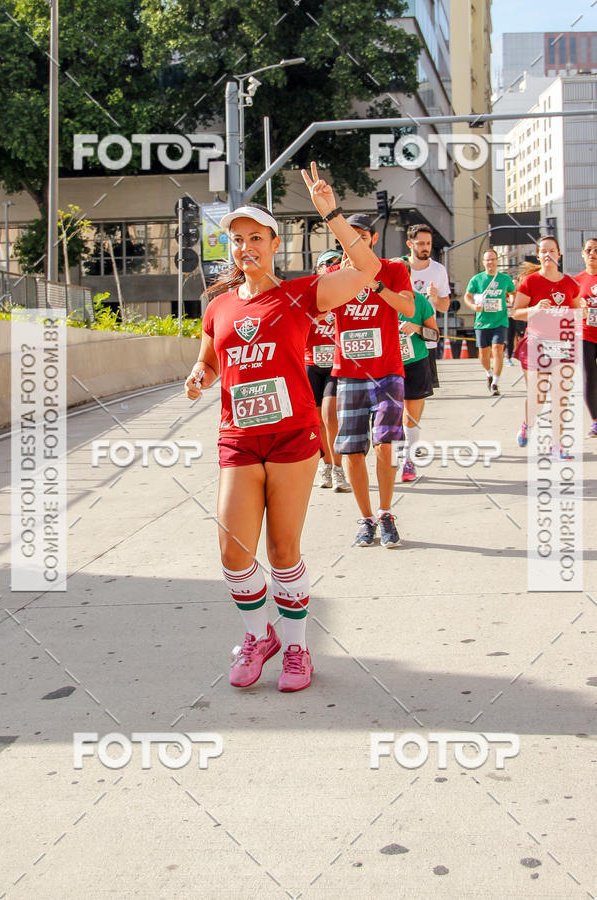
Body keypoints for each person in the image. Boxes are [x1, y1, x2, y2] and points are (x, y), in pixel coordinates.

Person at [184, 163, 381, 693]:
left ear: (274, 244)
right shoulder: (218, 305)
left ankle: (297, 650)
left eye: (256, 238)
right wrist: (200, 375)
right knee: (232, 551)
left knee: (282, 551)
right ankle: (260, 634)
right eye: (238, 239)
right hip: (239, 438)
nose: (246, 246)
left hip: (294, 437)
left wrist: (332, 214)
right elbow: (211, 358)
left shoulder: (301, 294)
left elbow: (367, 270)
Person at [331, 213, 415, 547]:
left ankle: (385, 513)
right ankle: (365, 519)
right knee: (352, 451)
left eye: (361, 236)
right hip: (348, 373)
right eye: (349, 236)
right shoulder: (333, 274)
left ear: (373, 239)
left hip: (387, 372)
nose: (355, 242)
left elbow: (408, 308)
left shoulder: (394, 269)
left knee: (385, 445)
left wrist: (376, 286)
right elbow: (316, 311)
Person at [511, 235, 581, 456]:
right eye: (543, 251)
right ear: (538, 255)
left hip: (563, 344)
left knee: (560, 396)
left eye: (551, 250)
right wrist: (535, 309)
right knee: (538, 396)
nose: (547, 254)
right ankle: (527, 424)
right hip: (538, 343)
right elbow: (516, 313)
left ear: (559, 254)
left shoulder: (570, 283)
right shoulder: (531, 282)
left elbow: (578, 314)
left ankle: (557, 445)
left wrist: (582, 313)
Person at [305, 249, 351, 491]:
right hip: (312, 364)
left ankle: (339, 468)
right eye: (327, 264)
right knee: (317, 421)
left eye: (336, 263)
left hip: (336, 365)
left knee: (331, 416)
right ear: (319, 270)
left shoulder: (347, 294)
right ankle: (325, 464)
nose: (332, 267)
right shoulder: (309, 297)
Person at [394, 224, 450, 388]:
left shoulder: (439, 270)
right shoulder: (398, 267)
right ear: (410, 244)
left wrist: (435, 298)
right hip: (398, 339)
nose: (426, 248)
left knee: (421, 392)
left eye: (428, 243)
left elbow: (444, 306)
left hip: (425, 337)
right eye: (420, 243)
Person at [398, 286, 440, 482]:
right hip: (387, 366)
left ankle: (409, 460)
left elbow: (435, 335)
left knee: (411, 416)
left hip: (415, 363)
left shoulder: (420, 301)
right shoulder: (378, 300)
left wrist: (416, 328)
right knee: (391, 414)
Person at [464, 249, 516, 396]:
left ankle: (495, 383)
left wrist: (511, 302)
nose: (490, 263)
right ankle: (489, 373)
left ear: (497, 261)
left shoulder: (505, 279)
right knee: (483, 353)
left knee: (498, 348)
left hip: (500, 320)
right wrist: (473, 306)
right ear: (483, 262)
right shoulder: (476, 279)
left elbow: (513, 292)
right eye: (487, 260)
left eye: (493, 259)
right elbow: (467, 296)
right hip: (482, 321)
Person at [573, 237, 597, 436]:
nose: (592, 253)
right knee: (589, 377)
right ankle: (595, 421)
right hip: (585, 334)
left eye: (596, 250)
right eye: (588, 250)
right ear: (582, 254)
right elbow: (566, 308)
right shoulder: (576, 281)